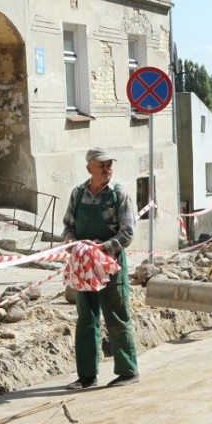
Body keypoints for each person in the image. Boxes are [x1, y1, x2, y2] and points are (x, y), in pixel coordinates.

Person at [62, 147, 139, 389]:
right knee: (86, 317)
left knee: (115, 315)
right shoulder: (77, 194)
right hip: (84, 264)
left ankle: (128, 371)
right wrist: (72, 243)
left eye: (109, 165)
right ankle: (86, 376)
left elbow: (127, 233)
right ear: (89, 168)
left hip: (110, 263)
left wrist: (102, 248)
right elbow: (67, 227)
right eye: (101, 165)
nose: (107, 169)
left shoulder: (119, 195)